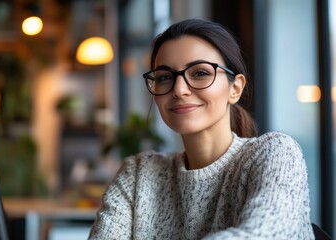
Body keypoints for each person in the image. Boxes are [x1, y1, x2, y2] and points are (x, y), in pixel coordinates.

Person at [88, 18, 313, 239]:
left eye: (200, 73)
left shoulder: (275, 153)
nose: (179, 89)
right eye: (165, 77)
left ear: (235, 88)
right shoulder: (138, 174)